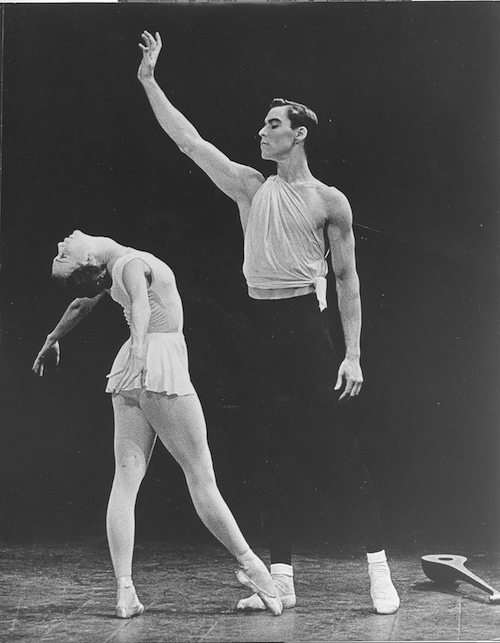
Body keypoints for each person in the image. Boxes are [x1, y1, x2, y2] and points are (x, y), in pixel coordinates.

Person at [137, 31, 400, 615]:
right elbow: (189, 141)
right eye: (263, 125)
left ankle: (379, 571)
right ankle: (281, 579)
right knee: (272, 452)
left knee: (337, 452)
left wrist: (352, 353)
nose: (262, 132)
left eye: (272, 124)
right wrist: (150, 82)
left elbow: (349, 281)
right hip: (258, 329)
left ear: (298, 133)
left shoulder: (330, 201)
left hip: (306, 330)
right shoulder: (250, 186)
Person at [32, 230, 283, 618]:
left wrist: (52, 337)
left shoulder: (112, 267)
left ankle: (125, 592)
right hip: (155, 360)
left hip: (133, 368)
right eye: (63, 256)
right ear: (88, 262)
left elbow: (80, 306)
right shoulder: (129, 264)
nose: (61, 245)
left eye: (60, 253)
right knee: (201, 475)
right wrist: (139, 351)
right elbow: (140, 306)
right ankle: (255, 570)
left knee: (126, 478)